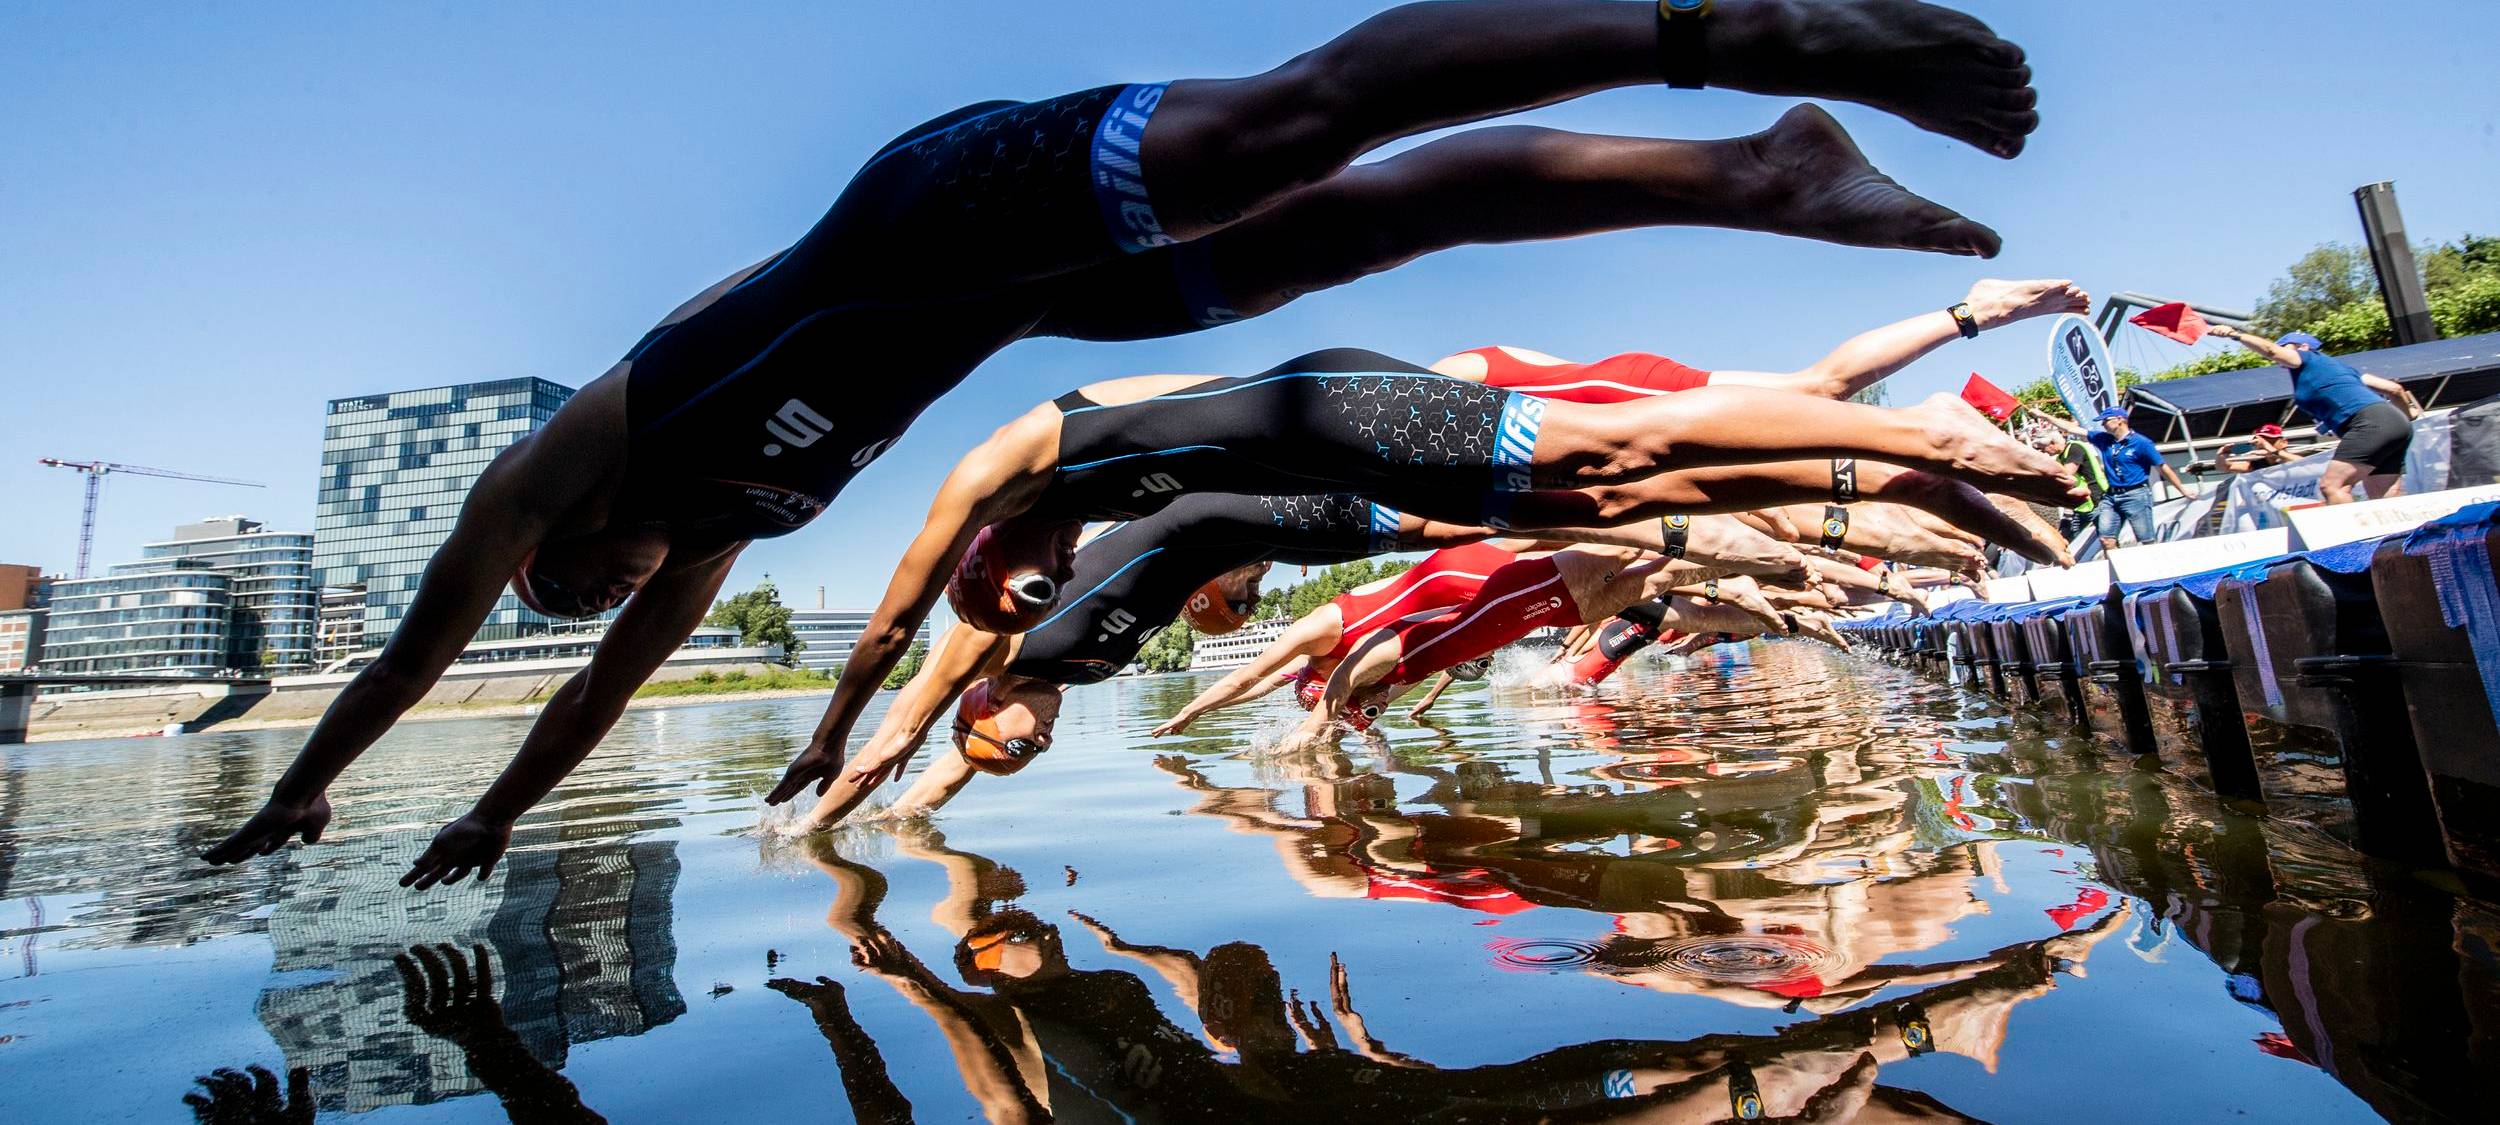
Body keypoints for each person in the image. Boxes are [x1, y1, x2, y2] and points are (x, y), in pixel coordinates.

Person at [199, 0, 2047, 884]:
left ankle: (1730, 39)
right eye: (581, 591)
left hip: (942, 206)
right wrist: (496, 811)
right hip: (1028, 301)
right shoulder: (708, 540)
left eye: (558, 577)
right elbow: (593, 701)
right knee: (1374, 226)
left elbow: (418, 644)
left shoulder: (584, 451)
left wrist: (311, 776)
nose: (585, 588)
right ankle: (1757, 171)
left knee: (1298, 121)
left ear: (535, 531)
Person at [1432, 277, 2090, 402]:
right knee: (1818, 397)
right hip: (1632, 408)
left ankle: (1975, 310)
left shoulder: (1436, 381)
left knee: (1819, 387)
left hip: (1633, 394)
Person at [2211, 326, 2421, 503]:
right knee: (2382, 495)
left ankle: (2354, 547)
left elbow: (2270, 350)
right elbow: (2394, 389)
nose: (2281, 355)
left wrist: (2234, 334)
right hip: (2395, 423)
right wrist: (2407, 417)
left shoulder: (2305, 357)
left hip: (2369, 424)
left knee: (2332, 486)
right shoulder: (2344, 369)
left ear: (2302, 347)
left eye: (2286, 347)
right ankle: (2399, 545)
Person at [2041, 407, 2193, 552]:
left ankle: (2155, 574)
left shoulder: (2141, 443)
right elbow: (2072, 429)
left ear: (2120, 419)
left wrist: (2183, 490)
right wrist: (2045, 416)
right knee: (2106, 539)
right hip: (2111, 496)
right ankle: (2117, 574)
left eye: (2106, 420)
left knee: (2146, 540)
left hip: (2136, 495)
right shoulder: (2105, 440)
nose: (2102, 424)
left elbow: (2163, 467)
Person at [2220, 423, 2301, 473]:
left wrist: (2273, 451)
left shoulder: (2292, 459)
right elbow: (2225, 467)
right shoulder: (2257, 464)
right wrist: (2221, 454)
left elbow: (2309, 465)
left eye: (2270, 442)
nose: (2263, 445)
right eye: (2259, 442)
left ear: (2284, 442)